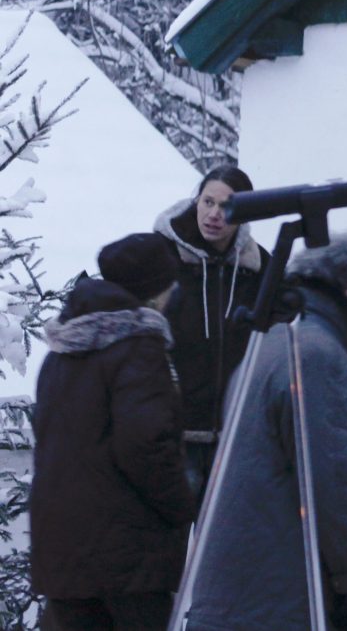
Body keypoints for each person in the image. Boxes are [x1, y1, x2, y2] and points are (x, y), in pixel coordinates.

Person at [182, 230, 347, 631]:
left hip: (232, 593)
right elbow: (338, 484)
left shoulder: (271, 346)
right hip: (281, 596)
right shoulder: (320, 359)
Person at [30, 233, 195, 631]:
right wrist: (183, 506)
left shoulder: (61, 352)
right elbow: (145, 443)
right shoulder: (138, 348)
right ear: (155, 290)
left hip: (62, 546)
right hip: (127, 554)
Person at [156, 163, 270, 495]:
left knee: (222, 529)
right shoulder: (161, 255)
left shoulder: (259, 268)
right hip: (171, 434)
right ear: (197, 201)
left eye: (227, 206)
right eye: (208, 202)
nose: (214, 214)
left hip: (234, 437)